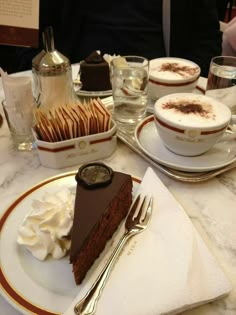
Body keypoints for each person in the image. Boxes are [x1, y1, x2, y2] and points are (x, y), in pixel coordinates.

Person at [1, 0, 222, 77]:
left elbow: (206, 42)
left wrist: (176, 86)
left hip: (161, 95)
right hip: (71, 94)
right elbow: (20, 43)